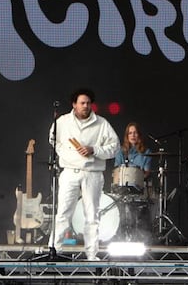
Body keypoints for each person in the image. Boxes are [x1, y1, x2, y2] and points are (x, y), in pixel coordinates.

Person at [49, 88, 119, 260]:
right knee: (63, 212)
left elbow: (114, 147)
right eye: (82, 103)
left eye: (88, 103)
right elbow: (53, 139)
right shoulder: (63, 121)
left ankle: (92, 254)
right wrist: (66, 154)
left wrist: (94, 150)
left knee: (92, 215)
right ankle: (54, 250)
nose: (86, 106)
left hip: (92, 173)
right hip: (70, 171)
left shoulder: (102, 124)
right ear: (74, 104)